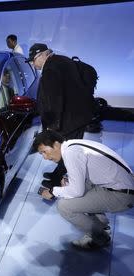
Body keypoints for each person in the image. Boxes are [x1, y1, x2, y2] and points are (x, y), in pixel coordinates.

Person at [34, 130, 134, 250]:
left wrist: (52, 192)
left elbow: (77, 191)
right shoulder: (73, 145)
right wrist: (67, 179)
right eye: (41, 154)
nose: (45, 157)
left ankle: (100, 237)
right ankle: (102, 226)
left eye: (44, 152)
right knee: (74, 188)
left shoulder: (71, 154)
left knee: (64, 206)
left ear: (55, 145)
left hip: (121, 195)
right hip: (123, 186)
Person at [28, 43, 94, 189]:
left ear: (42, 55)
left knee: (65, 151)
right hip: (77, 117)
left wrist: (52, 128)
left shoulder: (51, 69)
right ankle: (58, 175)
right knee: (68, 150)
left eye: (33, 60)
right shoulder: (62, 60)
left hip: (67, 120)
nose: (33, 64)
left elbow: (54, 100)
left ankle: (59, 184)